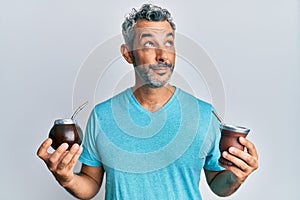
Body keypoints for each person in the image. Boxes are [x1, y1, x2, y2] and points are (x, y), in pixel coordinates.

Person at [37, 4, 258, 200]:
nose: (163, 55)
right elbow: (91, 184)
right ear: (128, 54)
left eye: (169, 43)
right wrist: (66, 179)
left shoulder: (204, 114)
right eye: (149, 43)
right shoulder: (102, 115)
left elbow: (217, 184)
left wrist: (236, 177)